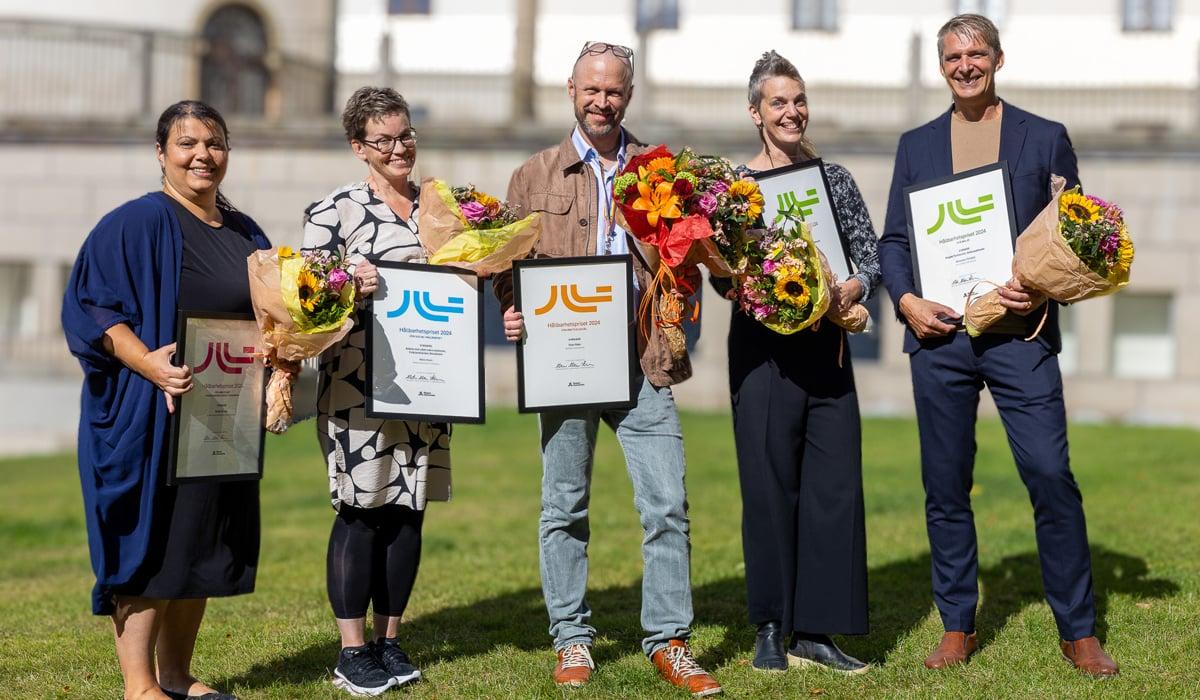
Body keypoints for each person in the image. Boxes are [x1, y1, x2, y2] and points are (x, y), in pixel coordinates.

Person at [878, 14, 1118, 678]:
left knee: (1049, 474)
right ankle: (957, 624)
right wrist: (905, 302)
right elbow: (896, 241)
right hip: (941, 337)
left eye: (975, 53)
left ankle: (1079, 630)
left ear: (998, 58)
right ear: (941, 65)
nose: (964, 65)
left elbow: (1078, 236)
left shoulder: (1044, 138)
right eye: (952, 56)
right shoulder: (917, 144)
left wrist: (1042, 292)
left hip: (1022, 337)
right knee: (945, 485)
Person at [493, 42, 722, 697]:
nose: (602, 101)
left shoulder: (661, 174)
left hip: (644, 359)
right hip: (563, 365)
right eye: (591, 89)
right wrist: (512, 312)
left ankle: (669, 642)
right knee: (563, 506)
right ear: (571, 89)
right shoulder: (533, 176)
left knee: (668, 505)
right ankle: (571, 637)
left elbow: (691, 255)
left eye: (614, 91)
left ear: (629, 93)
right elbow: (502, 267)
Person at [62, 100, 270, 700]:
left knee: (198, 541)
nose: (202, 154)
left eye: (215, 142)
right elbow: (94, 309)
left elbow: (269, 308)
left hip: (222, 412)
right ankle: (140, 686)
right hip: (152, 410)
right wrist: (149, 364)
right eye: (187, 143)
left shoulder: (244, 231)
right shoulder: (133, 224)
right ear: (161, 154)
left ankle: (177, 677)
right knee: (151, 541)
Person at [722, 50, 880, 675]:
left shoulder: (834, 178)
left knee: (833, 488)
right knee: (767, 488)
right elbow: (722, 278)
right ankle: (770, 625)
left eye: (798, 100)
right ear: (755, 112)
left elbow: (867, 254)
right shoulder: (735, 191)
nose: (792, 112)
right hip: (762, 354)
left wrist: (854, 289)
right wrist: (746, 283)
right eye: (778, 102)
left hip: (828, 350)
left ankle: (817, 630)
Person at [301, 86, 444, 697]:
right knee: (360, 513)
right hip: (357, 386)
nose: (398, 148)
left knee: (408, 511)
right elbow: (304, 306)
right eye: (382, 140)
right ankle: (351, 650)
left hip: (430, 383)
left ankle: (389, 639)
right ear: (358, 147)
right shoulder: (332, 211)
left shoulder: (441, 206)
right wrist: (346, 287)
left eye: (405, 134)